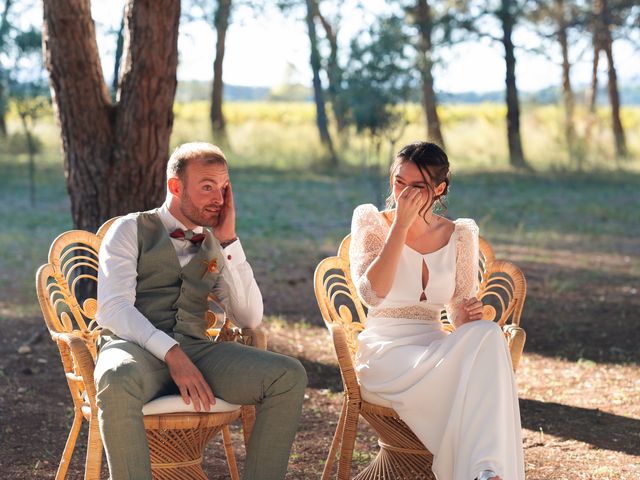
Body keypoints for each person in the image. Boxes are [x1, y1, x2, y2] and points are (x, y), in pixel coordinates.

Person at [94, 142, 308, 480]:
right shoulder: (129, 229)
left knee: (287, 375)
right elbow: (113, 308)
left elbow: (250, 317)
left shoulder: (213, 246)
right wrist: (171, 353)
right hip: (134, 350)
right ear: (175, 187)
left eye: (223, 189)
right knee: (115, 377)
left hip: (198, 352)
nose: (218, 200)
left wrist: (229, 242)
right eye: (207, 187)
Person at [349, 141, 524, 480]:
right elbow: (372, 294)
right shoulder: (371, 221)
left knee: (486, 333)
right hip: (386, 354)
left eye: (418, 187)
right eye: (399, 182)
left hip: (434, 347)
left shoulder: (459, 234)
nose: (405, 193)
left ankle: (486, 473)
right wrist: (400, 226)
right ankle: (482, 471)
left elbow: (457, 313)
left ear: (440, 188)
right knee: (474, 381)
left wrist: (466, 315)